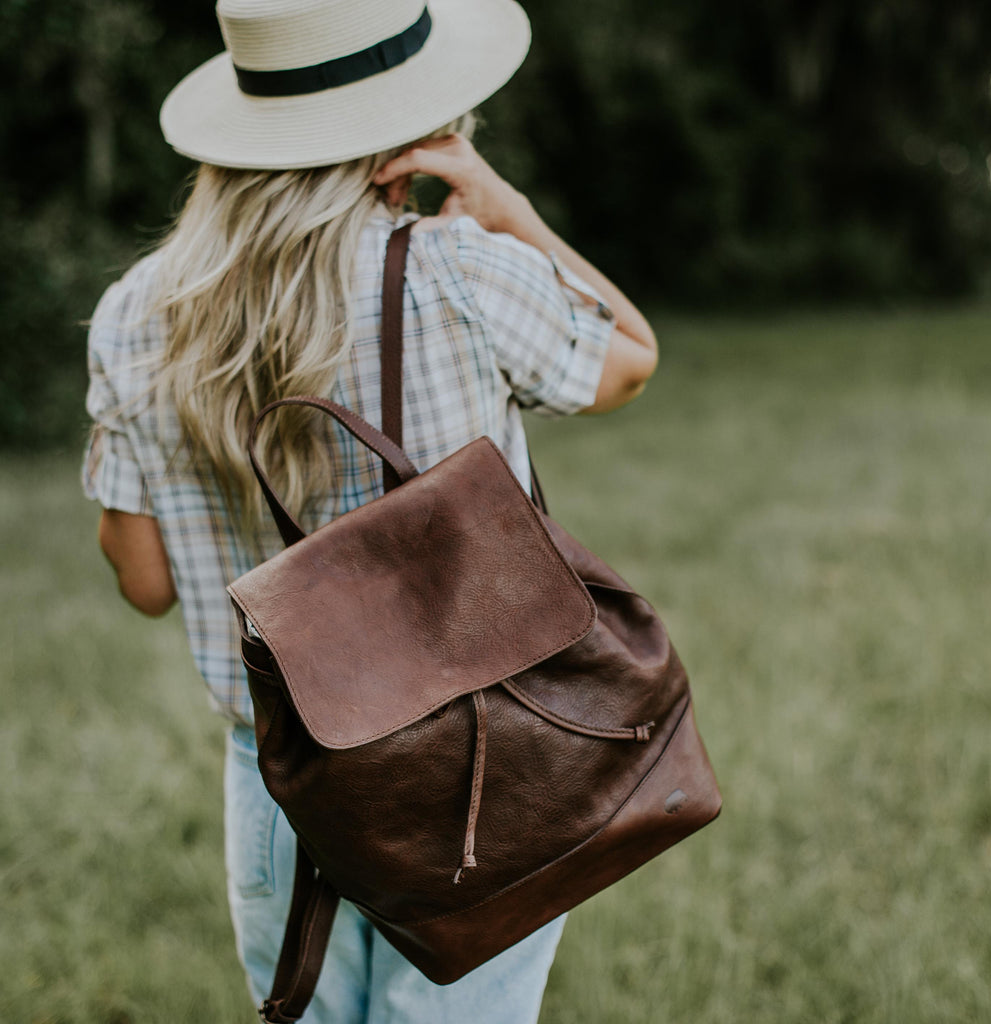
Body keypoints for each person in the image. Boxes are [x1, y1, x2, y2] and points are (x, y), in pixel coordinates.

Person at [82, 0, 658, 1020]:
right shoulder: (456, 268)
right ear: (404, 123)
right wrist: (502, 203)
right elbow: (627, 360)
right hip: (480, 759)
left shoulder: (137, 313)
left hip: (281, 777)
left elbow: (143, 584)